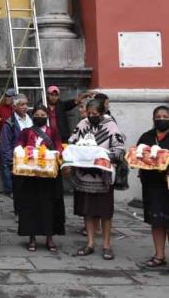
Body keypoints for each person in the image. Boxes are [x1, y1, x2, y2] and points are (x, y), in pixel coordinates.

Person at [70, 98, 125, 260]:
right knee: (88, 211)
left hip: (103, 176)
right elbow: (72, 142)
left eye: (95, 113)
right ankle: (90, 243)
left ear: (101, 113)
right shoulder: (82, 125)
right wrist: (80, 151)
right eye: (89, 113)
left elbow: (120, 149)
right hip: (84, 175)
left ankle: (107, 245)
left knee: (105, 212)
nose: (91, 116)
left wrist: (101, 154)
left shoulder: (111, 127)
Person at [13, 105, 65, 252]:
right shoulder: (26, 132)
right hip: (30, 176)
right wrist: (22, 151)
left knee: (49, 206)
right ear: (33, 116)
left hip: (48, 177)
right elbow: (18, 146)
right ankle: (32, 238)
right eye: (37, 114)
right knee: (31, 206)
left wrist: (54, 154)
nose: (40, 117)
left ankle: (49, 238)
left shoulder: (53, 131)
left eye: (43, 114)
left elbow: (59, 147)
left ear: (47, 116)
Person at [137, 106, 169, 268]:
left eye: (165, 116)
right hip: (152, 185)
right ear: (153, 119)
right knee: (156, 221)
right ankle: (159, 255)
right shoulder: (147, 136)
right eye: (158, 116)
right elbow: (137, 156)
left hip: (168, 184)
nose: (161, 119)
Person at [0, 94, 32, 198]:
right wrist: (10, 163)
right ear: (14, 107)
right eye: (22, 104)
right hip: (16, 161)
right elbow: (5, 147)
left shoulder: (30, 119)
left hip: (30, 158)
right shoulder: (9, 124)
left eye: (26, 104)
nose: (25, 107)